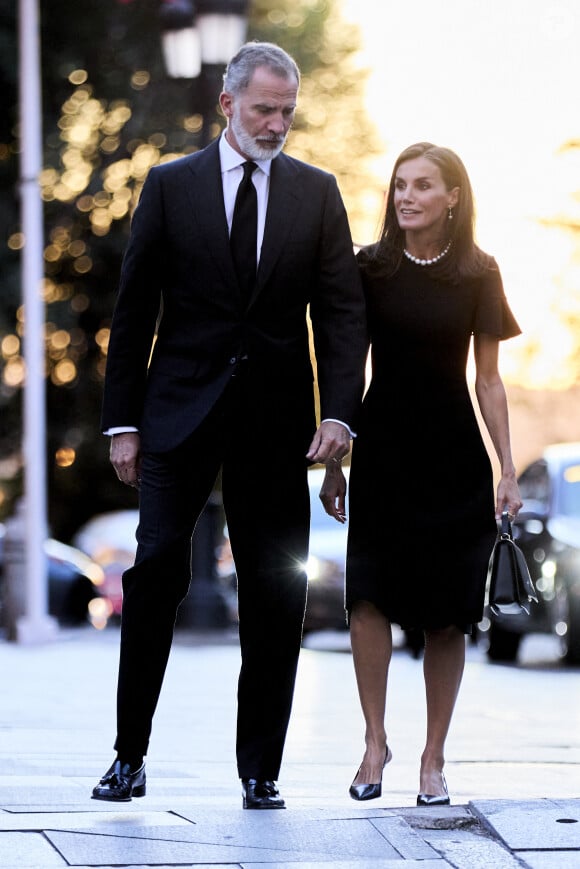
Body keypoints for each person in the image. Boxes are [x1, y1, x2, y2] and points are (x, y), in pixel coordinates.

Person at [92, 42, 367, 809]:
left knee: (276, 593)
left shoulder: (317, 193)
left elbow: (342, 314)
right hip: (174, 417)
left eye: (286, 111)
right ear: (228, 105)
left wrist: (340, 412)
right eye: (263, 110)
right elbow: (134, 310)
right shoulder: (170, 187)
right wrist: (122, 423)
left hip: (278, 425)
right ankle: (128, 755)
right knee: (153, 579)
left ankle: (261, 769)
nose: (277, 124)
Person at [320, 142, 522, 806]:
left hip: (455, 460)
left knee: (447, 615)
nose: (405, 196)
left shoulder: (478, 272)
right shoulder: (369, 267)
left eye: (422, 186)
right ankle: (374, 742)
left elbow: (488, 380)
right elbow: (347, 362)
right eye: (400, 185)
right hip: (382, 454)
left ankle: (433, 756)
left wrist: (507, 468)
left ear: (452, 197)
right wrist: (338, 457)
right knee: (368, 597)